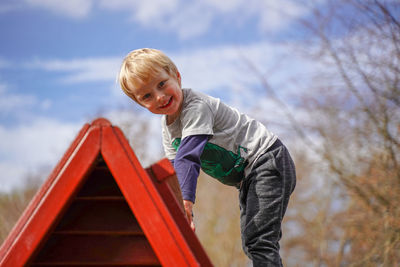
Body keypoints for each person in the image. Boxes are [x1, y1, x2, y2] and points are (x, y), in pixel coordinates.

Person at [118, 48, 296, 266]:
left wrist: (186, 203)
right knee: (251, 241)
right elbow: (175, 172)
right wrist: (182, 215)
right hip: (248, 177)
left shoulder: (196, 106)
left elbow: (187, 156)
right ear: (140, 104)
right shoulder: (168, 129)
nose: (160, 96)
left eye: (162, 84)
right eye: (147, 96)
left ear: (176, 75)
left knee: (260, 239)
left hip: (267, 159)